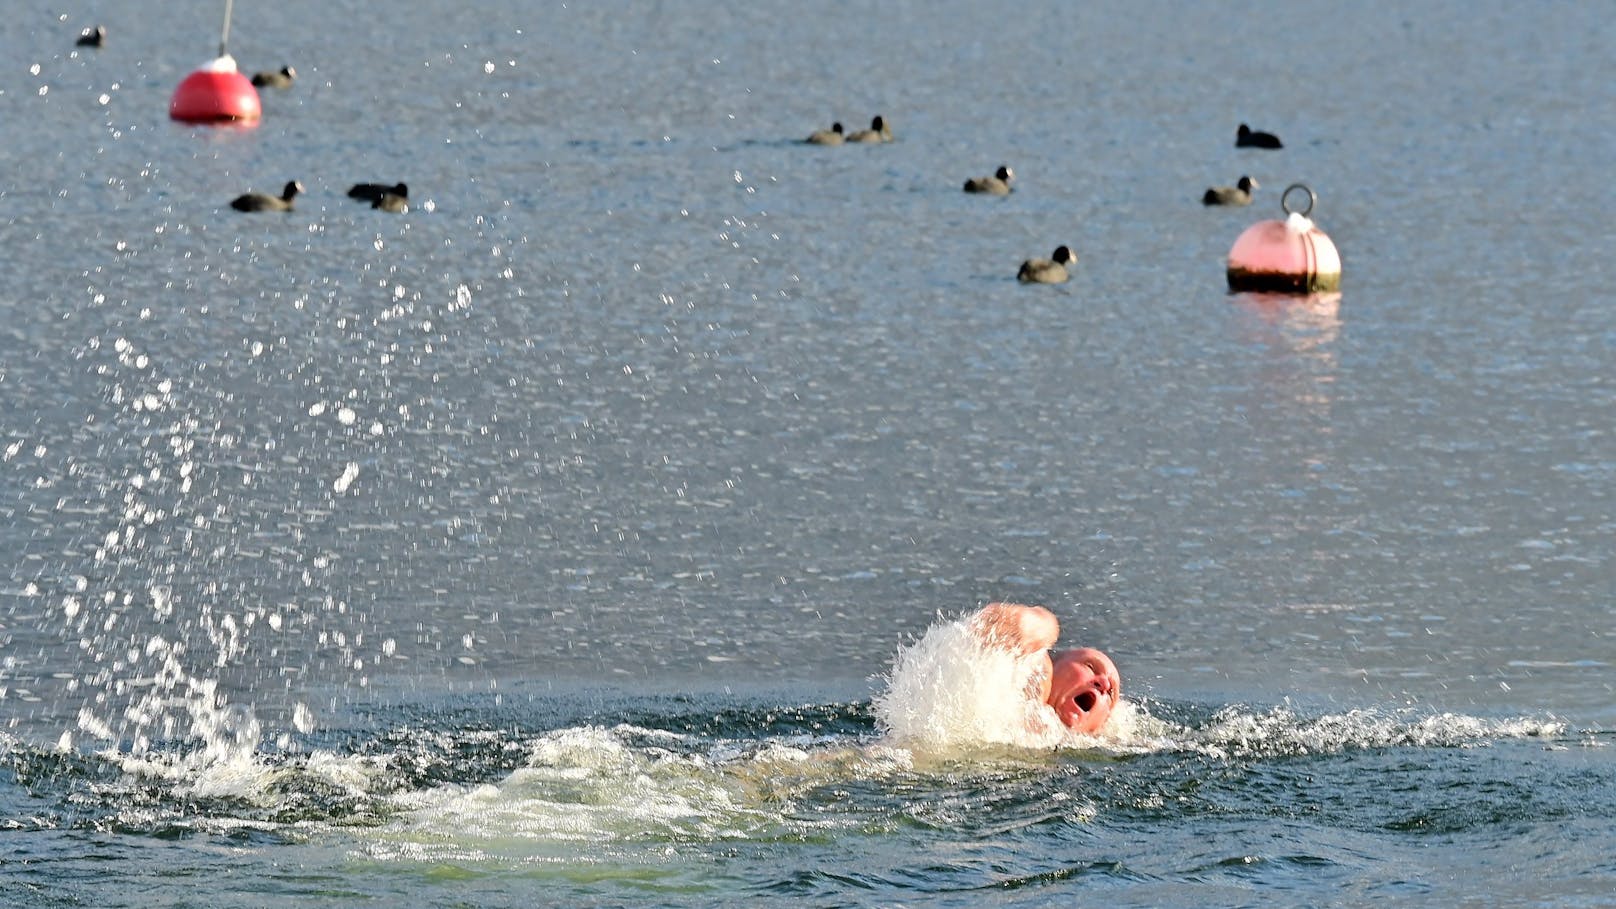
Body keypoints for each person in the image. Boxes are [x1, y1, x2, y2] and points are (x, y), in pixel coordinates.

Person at [968, 602, 1121, 735]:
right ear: (1057, 663)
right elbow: (993, 624)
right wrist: (1040, 626)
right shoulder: (1037, 668)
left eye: (1110, 693)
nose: (1104, 684)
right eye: (1090, 667)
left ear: (1099, 727)